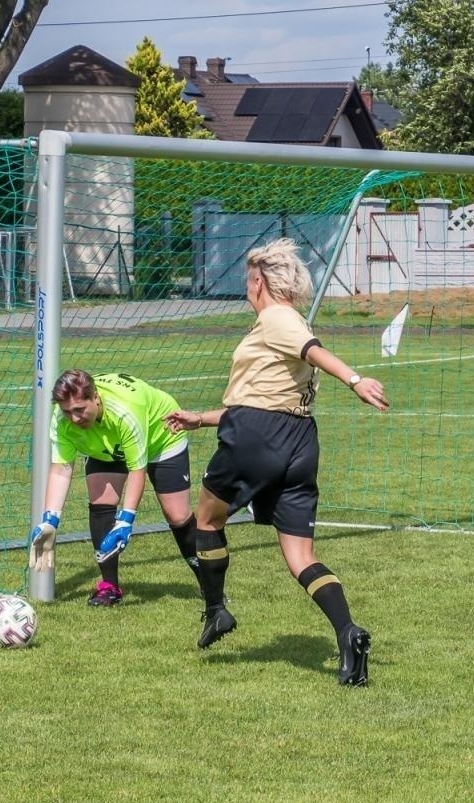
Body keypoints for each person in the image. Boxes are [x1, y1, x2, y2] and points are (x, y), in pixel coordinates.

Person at [165, 238, 390, 686]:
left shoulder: (278, 318)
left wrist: (355, 379)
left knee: (206, 520)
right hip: (299, 440)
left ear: (260, 281)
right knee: (301, 556)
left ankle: (215, 611)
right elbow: (265, 398)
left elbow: (312, 350)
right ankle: (347, 632)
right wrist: (202, 419)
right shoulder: (285, 321)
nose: (247, 289)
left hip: (257, 436)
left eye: (249, 280)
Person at [29, 370, 209, 606]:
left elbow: (137, 468)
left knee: (177, 515)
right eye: (67, 411)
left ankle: (209, 585)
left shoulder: (124, 412)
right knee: (101, 501)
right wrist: (50, 520)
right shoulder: (61, 420)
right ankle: (109, 587)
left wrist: (126, 520)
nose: (73, 418)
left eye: (79, 410)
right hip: (104, 443)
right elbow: (61, 469)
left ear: (95, 397)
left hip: (161, 437)